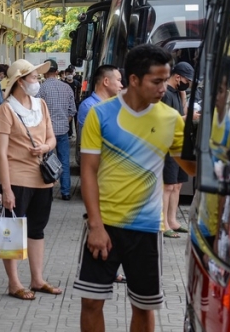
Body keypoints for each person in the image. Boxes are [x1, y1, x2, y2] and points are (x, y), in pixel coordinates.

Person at [73, 44, 196, 332]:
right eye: (157, 81)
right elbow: (88, 172)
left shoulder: (169, 119)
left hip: (146, 228)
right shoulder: (100, 114)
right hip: (104, 223)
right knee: (91, 302)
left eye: (166, 80)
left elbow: (192, 170)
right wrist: (95, 225)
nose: (163, 88)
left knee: (143, 305)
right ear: (134, 80)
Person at [0, 59, 62, 300]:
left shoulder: (41, 104)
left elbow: (52, 138)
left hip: (43, 178)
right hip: (16, 178)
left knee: (37, 229)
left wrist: (45, 145)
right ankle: (14, 283)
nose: (38, 81)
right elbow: (1, 153)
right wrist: (6, 188)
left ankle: (37, 279)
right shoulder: (6, 109)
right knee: (11, 231)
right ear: (20, 83)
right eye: (34, 78)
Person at [161, 61, 199, 239]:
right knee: (168, 185)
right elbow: (167, 120)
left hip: (179, 143)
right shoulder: (165, 95)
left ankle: (173, 220)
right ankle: (164, 223)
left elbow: (182, 113)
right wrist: (187, 117)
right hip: (168, 145)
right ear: (177, 77)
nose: (188, 84)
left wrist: (184, 96)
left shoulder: (177, 93)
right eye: (187, 80)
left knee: (177, 185)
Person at [37, 59, 76, 201]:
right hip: (63, 131)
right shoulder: (67, 88)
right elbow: (72, 110)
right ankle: (65, 192)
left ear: (45, 71)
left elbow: (37, 111)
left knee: (47, 162)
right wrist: (65, 122)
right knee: (64, 160)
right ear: (56, 71)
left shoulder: (41, 89)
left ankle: (48, 192)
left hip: (47, 133)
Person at [77, 65, 124, 130]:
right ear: (106, 81)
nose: (121, 85)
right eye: (118, 80)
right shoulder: (88, 106)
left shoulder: (115, 105)